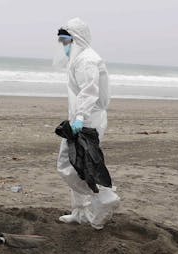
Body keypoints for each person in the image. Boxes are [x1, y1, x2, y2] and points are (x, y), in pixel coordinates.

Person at [55, 18, 120, 230]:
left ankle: (104, 194)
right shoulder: (80, 58)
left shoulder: (87, 60)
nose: (64, 46)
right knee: (80, 163)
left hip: (88, 119)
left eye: (66, 41)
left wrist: (81, 117)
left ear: (77, 39)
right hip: (82, 118)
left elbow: (89, 90)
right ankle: (80, 212)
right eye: (62, 41)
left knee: (68, 164)